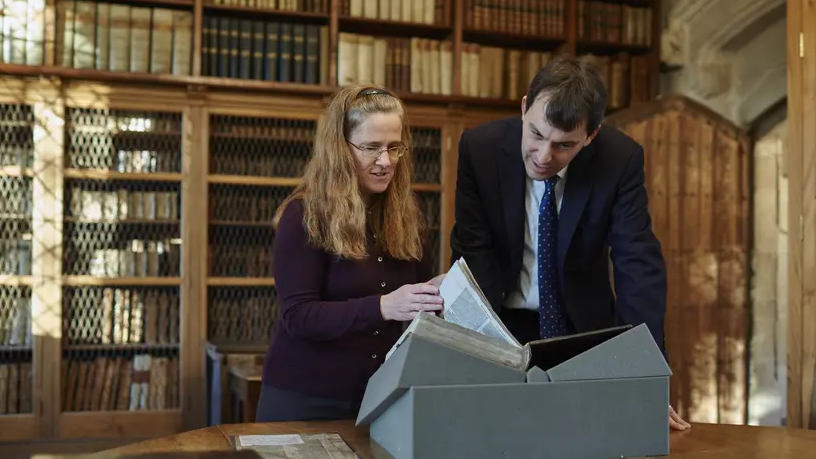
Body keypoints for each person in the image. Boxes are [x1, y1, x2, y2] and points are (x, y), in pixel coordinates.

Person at [449, 54, 691, 431]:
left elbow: (638, 265)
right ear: (525, 109)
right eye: (537, 135)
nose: (544, 157)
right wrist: (469, 354)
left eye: (564, 146)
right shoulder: (479, 150)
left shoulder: (619, 158)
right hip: (502, 326)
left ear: (590, 136)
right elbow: (472, 253)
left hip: (583, 332)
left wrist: (644, 376)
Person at [256, 85, 443, 423]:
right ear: (340, 149)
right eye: (371, 148)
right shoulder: (304, 215)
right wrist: (384, 306)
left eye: (394, 147)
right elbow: (298, 317)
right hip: (306, 398)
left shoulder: (408, 211)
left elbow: (414, 297)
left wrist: (437, 291)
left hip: (381, 394)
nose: (385, 162)